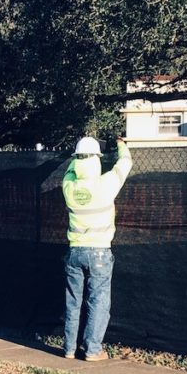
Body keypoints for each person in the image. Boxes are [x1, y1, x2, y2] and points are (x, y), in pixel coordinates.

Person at [61, 136, 133, 361]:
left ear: (77, 160)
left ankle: (69, 349)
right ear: (96, 161)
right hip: (100, 252)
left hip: (75, 252)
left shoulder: (69, 187)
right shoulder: (106, 184)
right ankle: (92, 350)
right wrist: (121, 145)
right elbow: (125, 164)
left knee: (73, 302)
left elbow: (70, 171)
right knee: (98, 301)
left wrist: (76, 158)